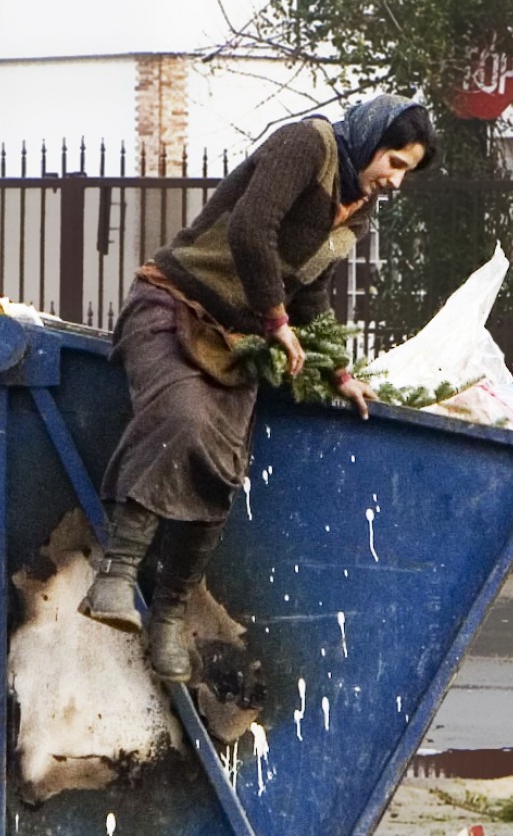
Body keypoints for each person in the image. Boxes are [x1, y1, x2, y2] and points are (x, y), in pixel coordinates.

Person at [79, 94, 435, 683]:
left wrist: (337, 371)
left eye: (406, 172)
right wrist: (276, 322)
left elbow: (311, 291)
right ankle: (115, 577)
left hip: (238, 341)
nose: (396, 179)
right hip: (175, 307)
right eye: (395, 162)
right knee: (183, 418)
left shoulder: (358, 210)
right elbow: (251, 229)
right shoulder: (308, 145)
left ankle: (168, 613)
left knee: (222, 465)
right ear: (373, 139)